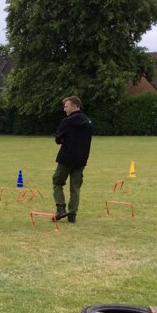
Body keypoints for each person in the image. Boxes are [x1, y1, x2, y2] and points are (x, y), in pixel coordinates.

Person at [52, 96, 93, 224]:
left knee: (57, 182)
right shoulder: (88, 122)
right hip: (81, 159)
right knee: (75, 187)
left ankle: (60, 209)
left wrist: (63, 139)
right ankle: (72, 215)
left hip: (66, 158)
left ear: (74, 106)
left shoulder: (67, 121)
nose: (64, 109)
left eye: (66, 106)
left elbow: (58, 138)